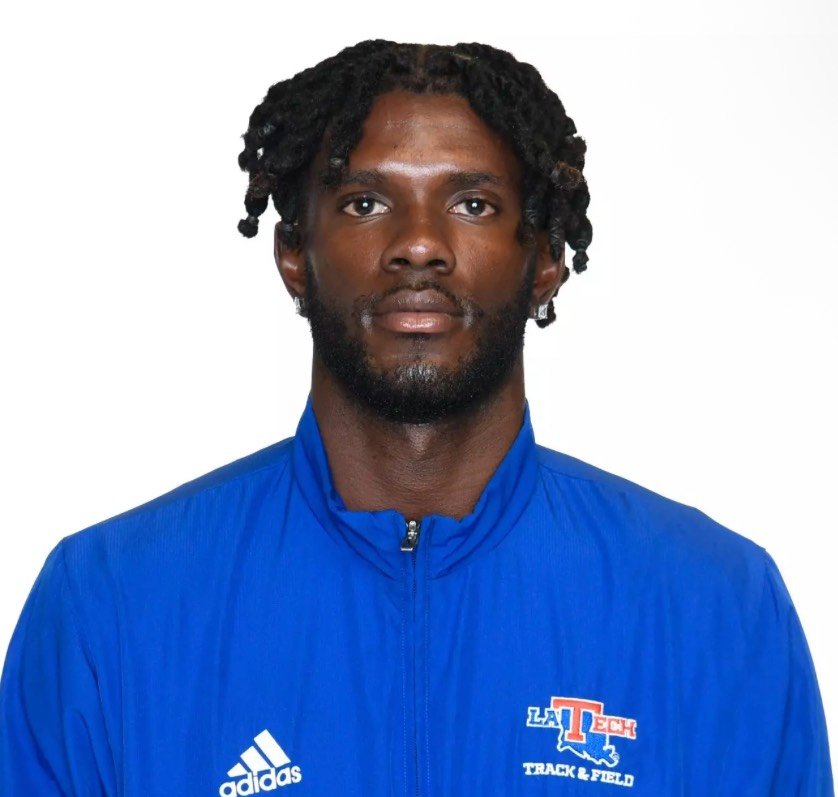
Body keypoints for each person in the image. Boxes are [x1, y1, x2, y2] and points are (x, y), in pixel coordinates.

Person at [0, 39, 832, 796]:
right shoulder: (108, 605)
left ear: (544, 259)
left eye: (472, 205)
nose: (420, 244)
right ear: (296, 254)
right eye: (366, 203)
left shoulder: (715, 606)